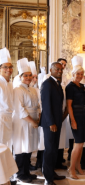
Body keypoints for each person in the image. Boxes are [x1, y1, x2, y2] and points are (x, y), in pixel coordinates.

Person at [13, 58, 40, 183]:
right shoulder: (18, 90)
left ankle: (27, 172)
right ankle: (20, 173)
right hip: (23, 122)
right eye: (25, 76)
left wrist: (38, 118)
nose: (28, 78)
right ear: (20, 76)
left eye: (30, 75)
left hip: (32, 122)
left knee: (29, 147)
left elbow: (37, 106)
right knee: (22, 148)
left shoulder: (33, 90)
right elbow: (20, 109)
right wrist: (32, 121)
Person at [40, 62, 66, 185]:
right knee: (49, 149)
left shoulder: (57, 83)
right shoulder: (47, 84)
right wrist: (51, 123)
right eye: (57, 69)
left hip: (57, 121)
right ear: (51, 69)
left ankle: (52, 172)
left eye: (61, 69)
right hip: (50, 123)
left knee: (54, 148)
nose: (60, 71)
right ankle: (48, 178)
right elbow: (46, 106)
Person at [66, 56, 85, 179]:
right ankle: (71, 169)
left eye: (81, 74)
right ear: (73, 74)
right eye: (78, 74)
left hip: (84, 116)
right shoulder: (70, 87)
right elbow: (69, 105)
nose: (80, 76)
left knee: (82, 144)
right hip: (76, 117)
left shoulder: (82, 86)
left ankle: (78, 166)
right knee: (78, 144)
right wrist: (73, 121)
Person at [0, 48, 16, 185]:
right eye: (5, 67)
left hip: (8, 119)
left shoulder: (10, 84)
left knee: (7, 147)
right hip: (0, 119)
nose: (8, 70)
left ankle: (7, 176)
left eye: (10, 67)